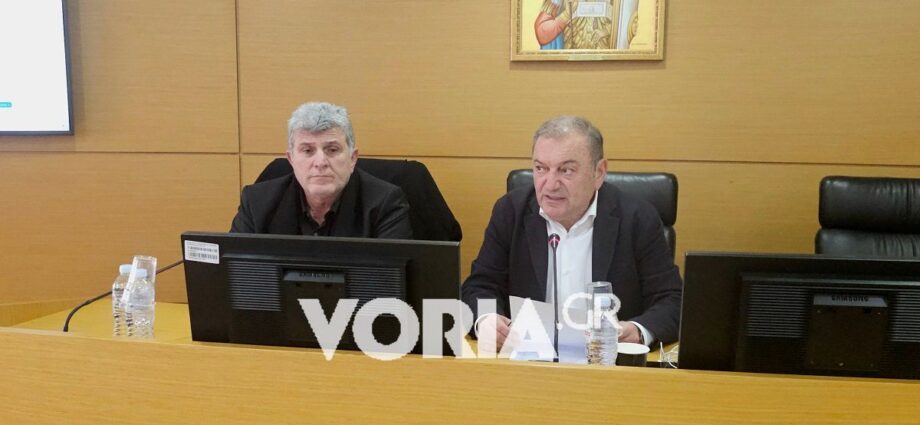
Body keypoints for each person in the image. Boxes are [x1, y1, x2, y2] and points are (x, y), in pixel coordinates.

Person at [461, 116, 682, 352]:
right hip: (528, 360)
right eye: (540, 168)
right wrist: (486, 319)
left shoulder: (637, 218)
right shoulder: (511, 211)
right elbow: (480, 286)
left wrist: (638, 330)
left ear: (599, 172)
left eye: (566, 170)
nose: (550, 184)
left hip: (607, 362)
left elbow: (673, 300)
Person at [230, 102, 412, 239]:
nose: (320, 162)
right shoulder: (256, 203)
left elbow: (390, 276)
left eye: (332, 150)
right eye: (307, 151)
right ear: (291, 159)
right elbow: (233, 271)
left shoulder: (386, 204)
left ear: (352, 158)